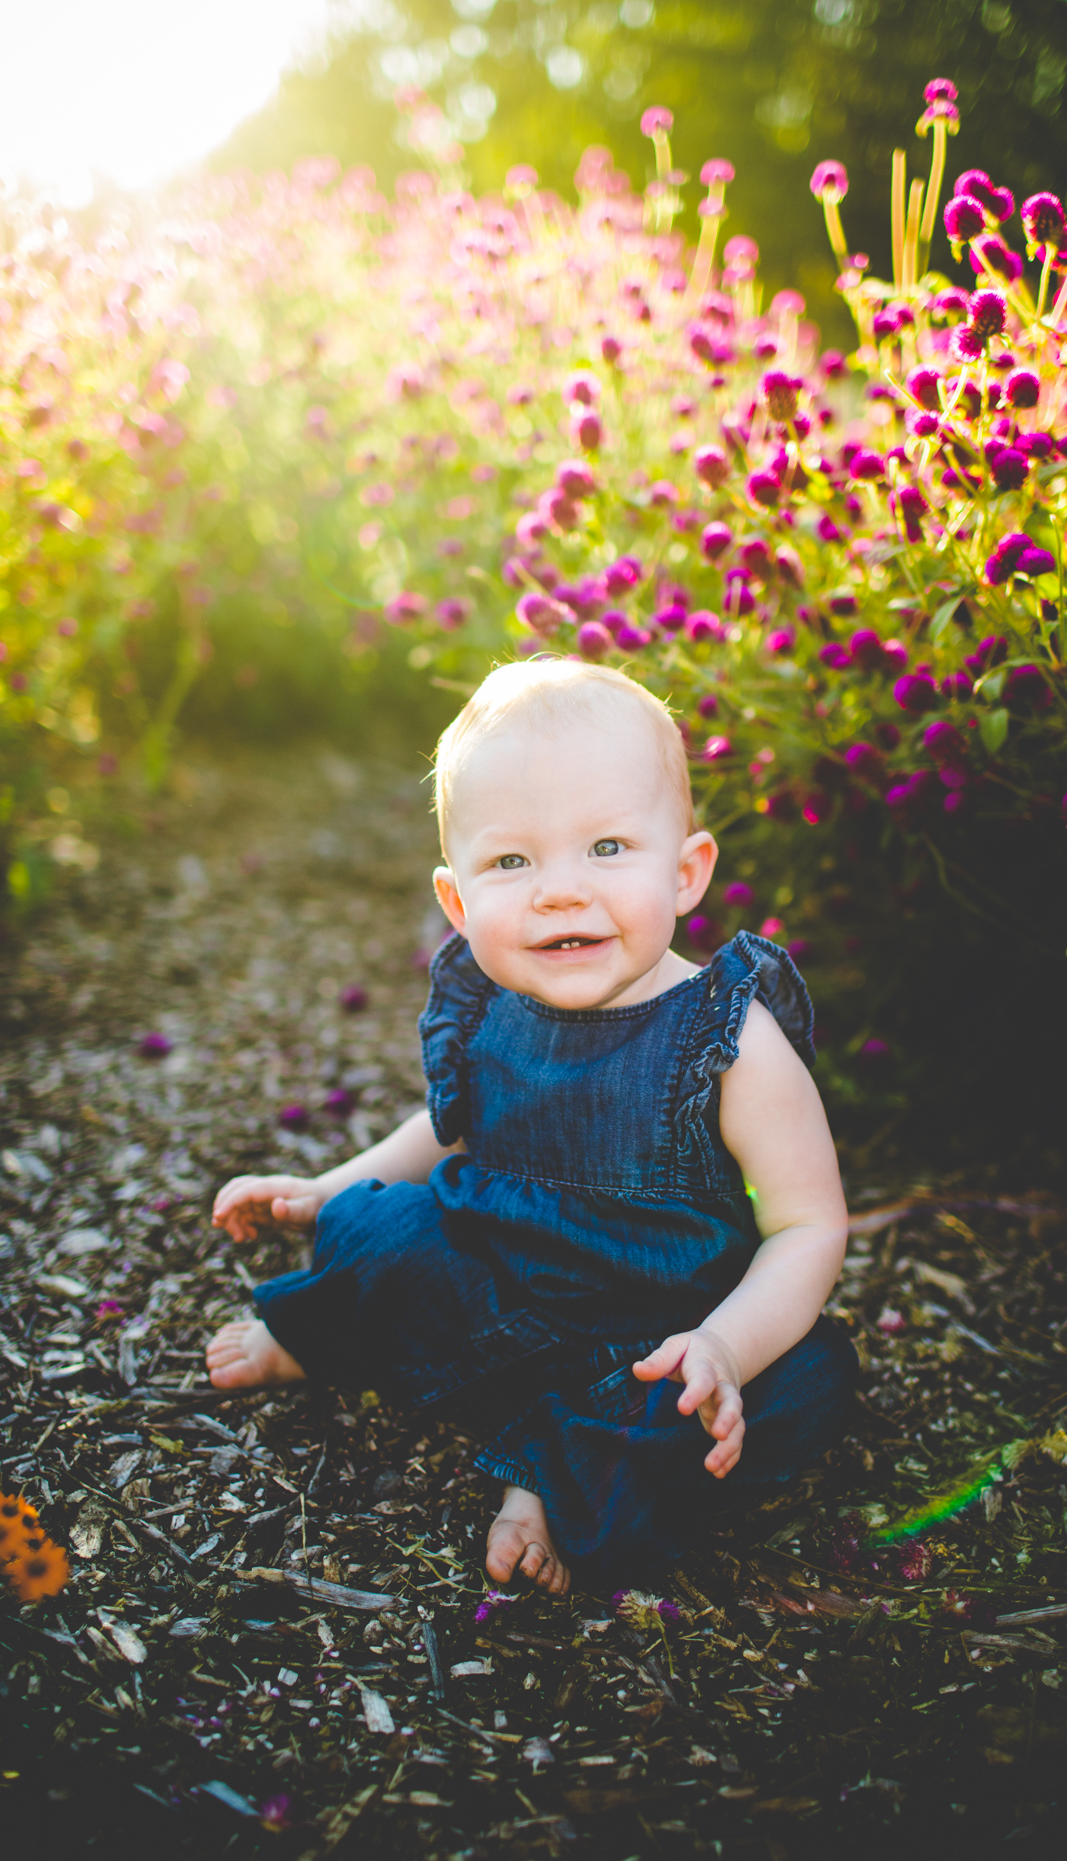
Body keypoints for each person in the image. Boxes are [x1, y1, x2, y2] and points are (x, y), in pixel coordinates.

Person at [205, 658, 855, 1591]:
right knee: (379, 1235)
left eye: (606, 849)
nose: (558, 890)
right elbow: (450, 1133)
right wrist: (327, 1191)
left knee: (805, 1382)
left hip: (653, 1341)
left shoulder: (729, 1040)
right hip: (498, 1291)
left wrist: (724, 1347)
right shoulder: (493, 1005)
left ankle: (550, 1472)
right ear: (459, 903)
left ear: (686, 872)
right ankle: (322, 1336)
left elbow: (807, 1225)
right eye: (513, 861)